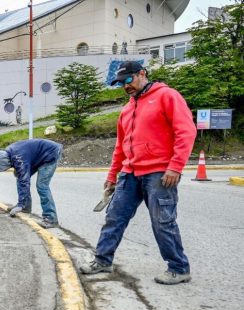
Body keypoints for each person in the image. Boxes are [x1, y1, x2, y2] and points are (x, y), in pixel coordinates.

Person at [80, 61, 197, 285]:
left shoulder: (167, 96)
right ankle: (102, 261)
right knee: (114, 218)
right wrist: (112, 176)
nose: (125, 86)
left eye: (128, 80)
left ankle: (179, 267)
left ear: (142, 74)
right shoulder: (127, 109)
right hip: (130, 173)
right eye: (121, 83)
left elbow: (186, 131)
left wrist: (175, 166)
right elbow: (120, 146)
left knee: (163, 221)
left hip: (160, 173)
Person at [0, 138, 63, 228]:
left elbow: (25, 181)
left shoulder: (18, 157)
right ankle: (25, 207)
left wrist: (20, 205)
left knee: (42, 186)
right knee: (20, 176)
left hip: (50, 154)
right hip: (39, 155)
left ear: (5, 162)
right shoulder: (10, 152)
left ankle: (51, 218)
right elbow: (22, 175)